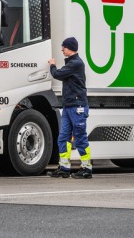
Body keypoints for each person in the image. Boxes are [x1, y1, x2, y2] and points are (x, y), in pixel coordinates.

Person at [47, 37, 92, 179]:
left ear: (70, 48)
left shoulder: (76, 64)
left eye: (64, 47)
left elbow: (57, 74)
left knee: (80, 138)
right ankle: (64, 168)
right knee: (63, 138)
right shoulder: (72, 63)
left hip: (77, 106)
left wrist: (52, 65)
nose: (62, 49)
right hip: (69, 106)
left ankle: (86, 169)